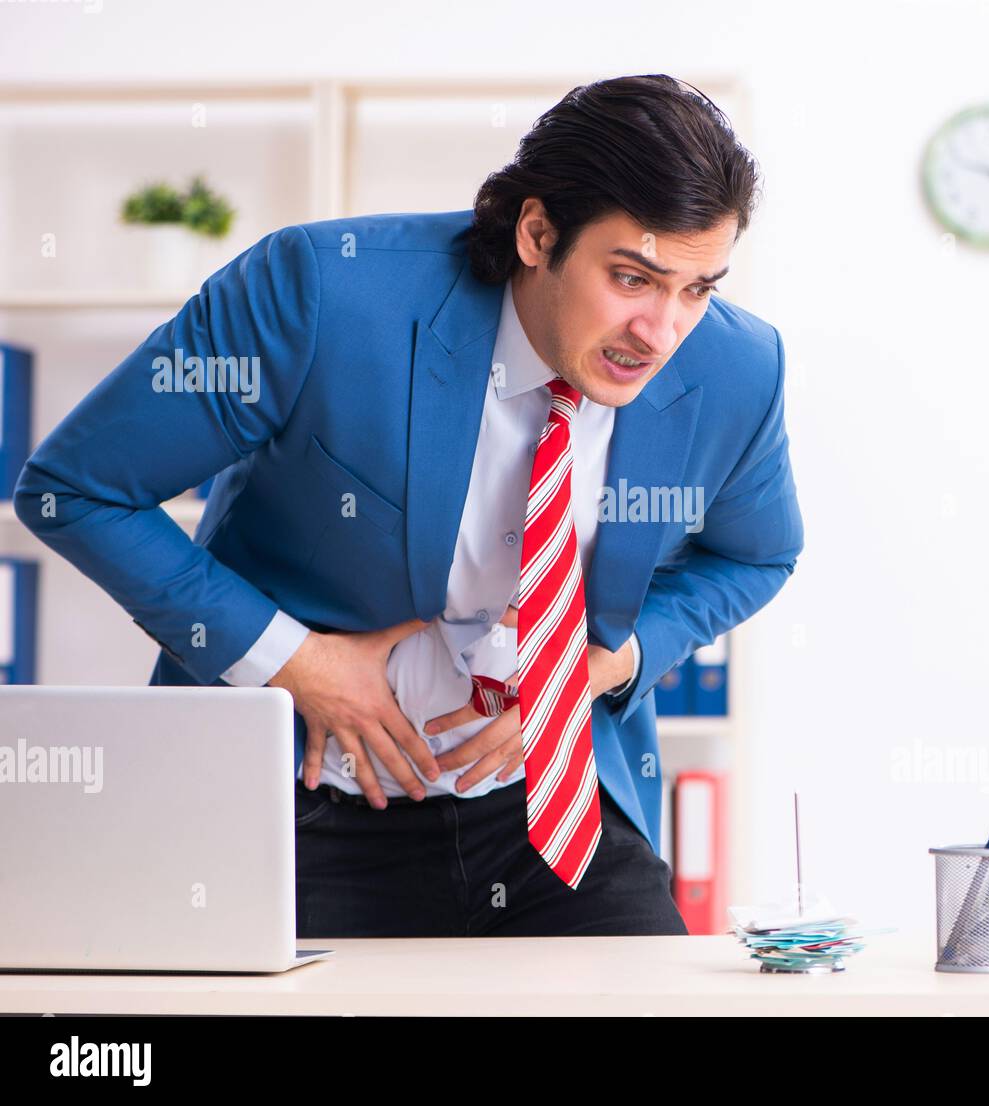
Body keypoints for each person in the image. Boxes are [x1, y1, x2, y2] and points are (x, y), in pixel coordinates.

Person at [14, 73, 804, 937]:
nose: (661, 334)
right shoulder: (321, 293)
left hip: (552, 805)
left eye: (697, 289)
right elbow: (76, 490)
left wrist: (606, 663)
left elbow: (757, 552)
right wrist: (293, 662)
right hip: (302, 796)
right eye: (632, 278)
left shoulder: (736, 365)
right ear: (538, 233)